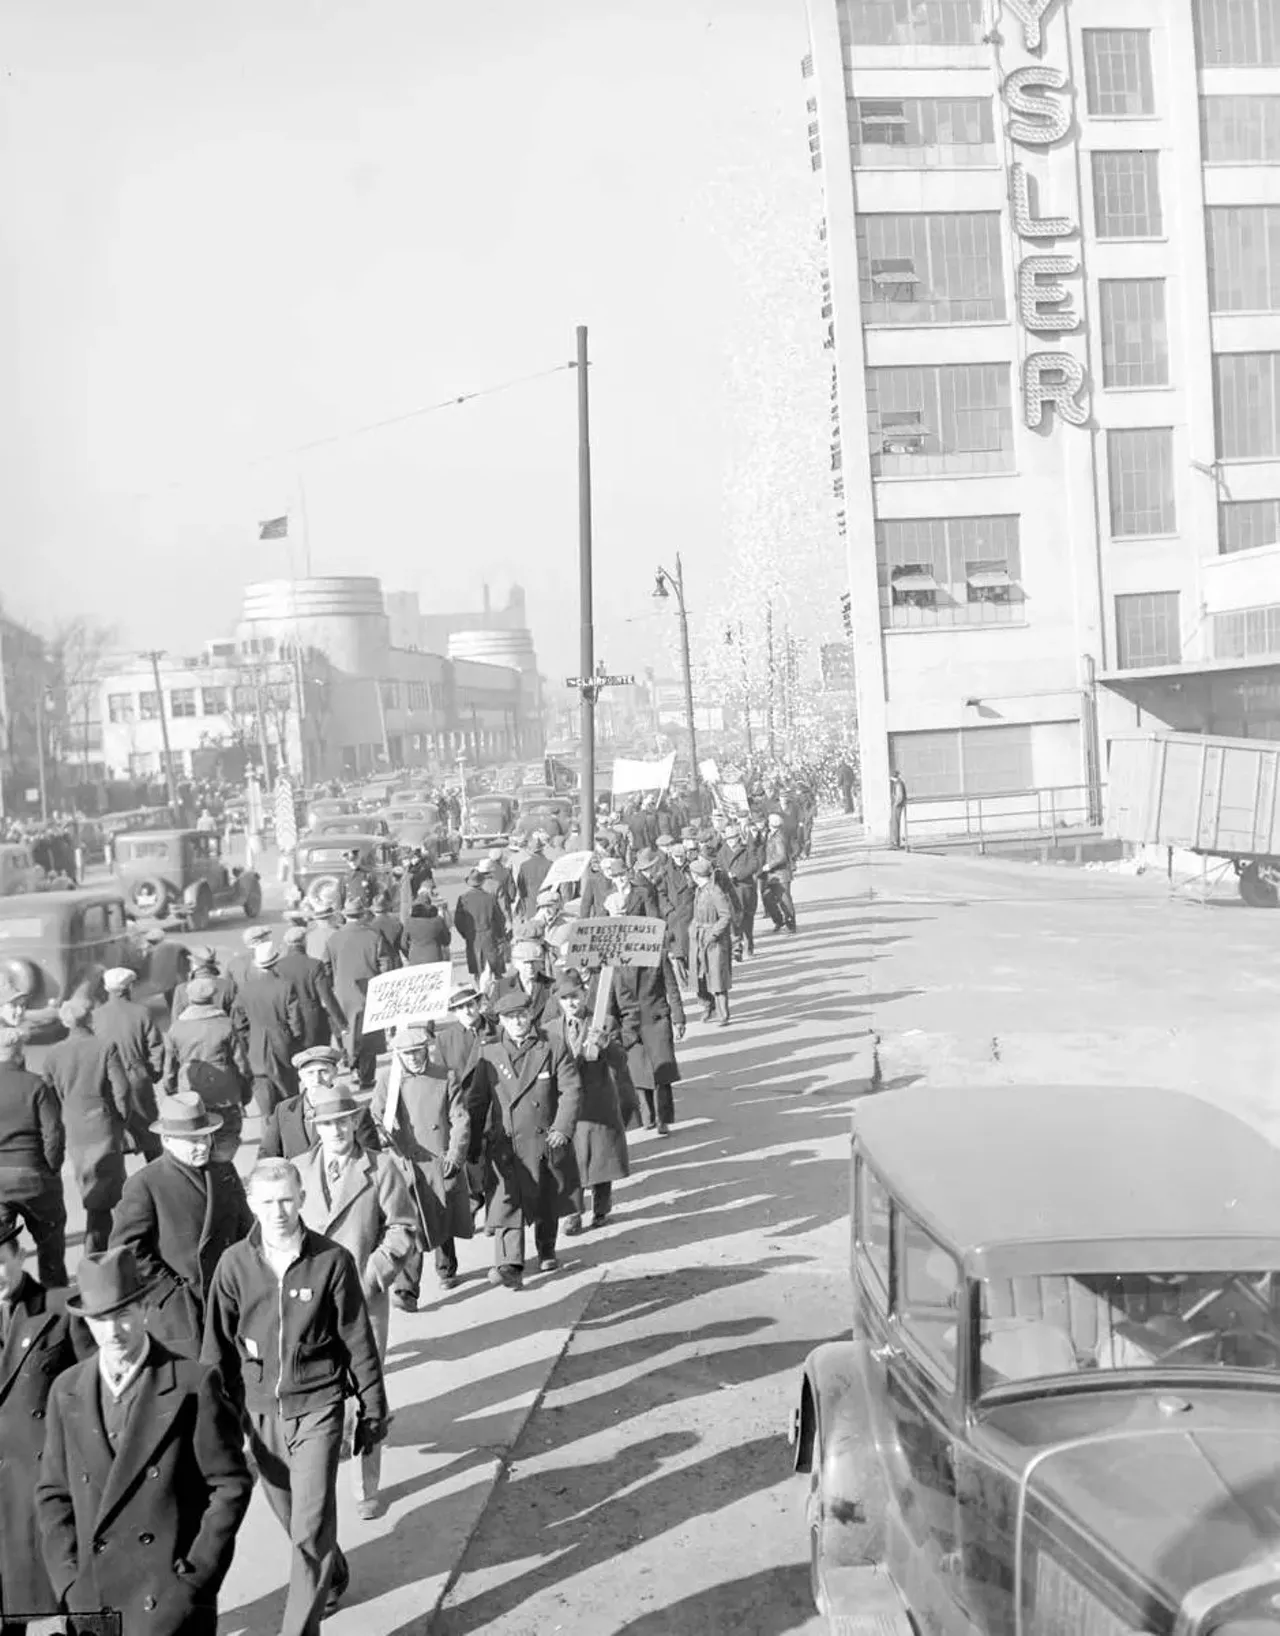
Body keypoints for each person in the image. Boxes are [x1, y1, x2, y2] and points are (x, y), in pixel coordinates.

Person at [203, 1159, 389, 1635]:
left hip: (319, 1407)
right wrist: (216, 1423)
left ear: (302, 1197)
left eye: (286, 1199)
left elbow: (357, 1340)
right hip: (260, 1415)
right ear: (251, 1205)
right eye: (267, 1202)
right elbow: (217, 1353)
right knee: (296, 1521)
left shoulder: (332, 1261)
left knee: (307, 1529)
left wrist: (373, 1408)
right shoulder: (233, 1266)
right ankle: (334, 1574)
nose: (279, 1211)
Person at [36, 1246, 253, 1636]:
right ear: (87, 1323)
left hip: (170, 1601)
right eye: (101, 1319)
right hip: (96, 1605)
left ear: (145, 1308)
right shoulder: (66, 1391)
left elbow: (229, 1485)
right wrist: (69, 1581)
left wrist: (196, 1577)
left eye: (123, 1315)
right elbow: (54, 1494)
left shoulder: (192, 1384)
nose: (114, 1331)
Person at [293, 1086, 416, 1519]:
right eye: (327, 1123)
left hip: (364, 1302)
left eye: (343, 1121)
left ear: (353, 1122)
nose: (336, 1130)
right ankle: (316, 1481)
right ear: (316, 1127)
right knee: (320, 1393)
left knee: (366, 1391)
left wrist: (371, 1276)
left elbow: (402, 1229)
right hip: (309, 1308)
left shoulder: (380, 1168)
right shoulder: (297, 1171)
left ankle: (365, 1487)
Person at [109, 1092, 253, 1358]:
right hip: (184, 1312)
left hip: (231, 1298)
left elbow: (247, 1230)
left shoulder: (224, 1171)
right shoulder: (145, 1184)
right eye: (191, 1141)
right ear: (166, 1140)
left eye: (206, 1137)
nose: (202, 1146)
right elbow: (126, 1250)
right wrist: (171, 1292)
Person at [0, 1221, 88, 1625]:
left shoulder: (60, 1309)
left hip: (46, 1480)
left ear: (20, 1256)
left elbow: (92, 1396)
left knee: (78, 1594)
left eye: (0, 1261)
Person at [475, 989, 581, 1290]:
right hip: (505, 1144)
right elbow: (477, 1102)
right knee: (507, 1203)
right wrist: (471, 1146)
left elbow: (571, 1090)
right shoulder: (488, 1053)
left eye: (522, 1015)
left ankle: (546, 1248)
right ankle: (510, 1264)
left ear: (531, 1016)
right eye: (510, 1018)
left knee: (545, 1198)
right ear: (502, 1022)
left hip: (545, 1139)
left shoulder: (553, 1046)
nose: (518, 1022)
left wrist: (562, 1128)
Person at [374, 1021, 472, 1301]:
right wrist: (383, 1137)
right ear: (398, 1056)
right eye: (407, 1053)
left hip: (438, 1159)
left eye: (418, 1051)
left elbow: (460, 1118)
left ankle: (446, 1268)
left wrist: (455, 1153)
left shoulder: (445, 1076)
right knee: (409, 1224)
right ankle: (407, 1288)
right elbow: (375, 1117)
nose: (414, 1058)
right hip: (405, 1164)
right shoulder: (388, 1082)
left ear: (426, 1050)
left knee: (442, 1214)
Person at [40, 994, 130, 1254]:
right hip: (103, 1124)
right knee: (109, 1192)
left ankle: (101, 1249)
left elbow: (49, 1097)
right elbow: (122, 1090)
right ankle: (100, 1250)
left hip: (74, 1128)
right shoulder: (104, 1047)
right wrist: (123, 1119)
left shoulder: (54, 1054)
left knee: (91, 1187)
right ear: (89, 1018)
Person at [548, 970, 633, 1234]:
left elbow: (621, 1060)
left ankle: (601, 1209)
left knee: (601, 1156)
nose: (571, 1003)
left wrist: (604, 1043)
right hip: (568, 1104)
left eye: (575, 996)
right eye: (565, 998)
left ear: (584, 994)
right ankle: (573, 1213)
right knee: (571, 1160)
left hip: (598, 1100)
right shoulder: (550, 1029)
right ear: (558, 1002)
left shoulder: (603, 1022)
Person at [603, 890, 685, 1136]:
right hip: (629, 1022)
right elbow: (609, 996)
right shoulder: (613, 958)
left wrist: (679, 1016)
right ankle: (647, 1115)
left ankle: (663, 1117)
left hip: (656, 1018)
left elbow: (671, 986)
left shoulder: (656, 954)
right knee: (637, 1069)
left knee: (662, 1069)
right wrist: (608, 1023)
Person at [0, 1025, 67, 1288]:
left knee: (2, 1251)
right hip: (34, 1176)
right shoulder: (36, 1084)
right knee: (50, 1249)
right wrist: (51, 1168)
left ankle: (8, 1306)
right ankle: (55, 1303)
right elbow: (53, 1134)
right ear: (19, 1053)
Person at [164, 972, 254, 1160]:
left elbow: (169, 1070)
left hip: (190, 1096)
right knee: (225, 1141)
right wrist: (245, 1094)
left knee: (196, 1143)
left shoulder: (176, 1028)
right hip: (225, 1094)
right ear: (212, 996)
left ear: (189, 998)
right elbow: (242, 1065)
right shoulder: (225, 1025)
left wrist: (173, 1093)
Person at [92, 964, 165, 1161]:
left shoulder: (96, 1016)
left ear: (107, 989)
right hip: (136, 1076)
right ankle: (155, 1174)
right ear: (130, 987)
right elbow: (156, 1046)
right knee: (150, 1130)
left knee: (114, 1132)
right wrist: (153, 1073)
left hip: (107, 1079)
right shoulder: (142, 1012)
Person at [260, 1045, 381, 1162]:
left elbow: (370, 1160)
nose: (317, 1080)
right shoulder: (283, 1110)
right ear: (301, 1076)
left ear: (335, 1072)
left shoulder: (357, 1112)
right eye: (310, 1073)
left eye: (323, 1072)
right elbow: (267, 1154)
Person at [327, 902, 395, 1090]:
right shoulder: (373, 936)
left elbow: (327, 966)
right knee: (369, 1035)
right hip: (369, 992)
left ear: (346, 915)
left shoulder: (334, 938)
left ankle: (353, 1068)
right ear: (363, 914)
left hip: (342, 993)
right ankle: (366, 1077)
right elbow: (385, 964)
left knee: (347, 1032)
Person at [233, 939, 304, 1118]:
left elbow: (239, 1024)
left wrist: (251, 1039)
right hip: (283, 1046)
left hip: (256, 1052)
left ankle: (270, 1141)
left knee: (266, 1110)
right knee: (290, 1100)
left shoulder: (245, 990)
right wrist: (294, 1040)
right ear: (276, 962)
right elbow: (296, 1022)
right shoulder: (285, 986)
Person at [277, 923, 346, 1051]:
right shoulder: (314, 965)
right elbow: (327, 997)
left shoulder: (277, 967)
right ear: (304, 941)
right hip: (314, 1021)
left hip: (288, 1021)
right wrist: (341, 1023)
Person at [690, 855, 734, 1026]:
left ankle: (724, 1014)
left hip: (714, 941)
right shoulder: (700, 890)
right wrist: (693, 928)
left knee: (717, 976)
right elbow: (697, 914)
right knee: (701, 975)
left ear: (696, 875)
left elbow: (725, 916)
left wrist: (713, 934)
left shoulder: (715, 891)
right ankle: (709, 1007)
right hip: (699, 937)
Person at [454, 866, 507, 985]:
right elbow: (499, 919)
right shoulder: (489, 898)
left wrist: (466, 934)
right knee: (494, 968)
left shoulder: (463, 899)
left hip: (472, 937)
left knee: (477, 970)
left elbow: (458, 922)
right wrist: (500, 937)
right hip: (489, 935)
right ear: (482, 882)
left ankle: (481, 993)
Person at [172, 944, 234, 1017]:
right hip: (221, 1026)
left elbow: (176, 1019)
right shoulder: (228, 985)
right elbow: (235, 1015)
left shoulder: (181, 989)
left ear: (195, 965)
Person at [761, 812, 798, 934]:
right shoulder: (771, 835)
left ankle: (791, 923)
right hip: (774, 874)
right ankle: (781, 920)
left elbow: (781, 856)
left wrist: (769, 865)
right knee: (769, 898)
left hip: (780, 873)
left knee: (785, 899)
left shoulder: (778, 837)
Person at [142, 924, 191, 1014]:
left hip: (165, 981)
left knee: (171, 999)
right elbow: (188, 957)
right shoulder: (177, 944)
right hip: (179, 978)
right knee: (181, 996)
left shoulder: (150, 951)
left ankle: (175, 1013)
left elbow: (145, 967)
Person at [402, 886, 453, 965]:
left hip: (415, 958)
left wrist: (409, 952)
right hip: (434, 957)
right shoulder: (438, 920)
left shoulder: (409, 921)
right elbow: (446, 941)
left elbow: (403, 944)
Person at [515, 833, 552, 921]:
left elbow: (521, 887)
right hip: (547, 900)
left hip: (530, 901)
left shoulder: (524, 865)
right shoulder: (550, 864)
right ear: (542, 849)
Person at [890, 769, 908, 849]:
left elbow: (899, 797)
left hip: (897, 806)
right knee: (893, 823)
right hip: (898, 805)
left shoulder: (898, 784)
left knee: (895, 824)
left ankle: (895, 843)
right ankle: (895, 842)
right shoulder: (899, 783)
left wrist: (895, 805)